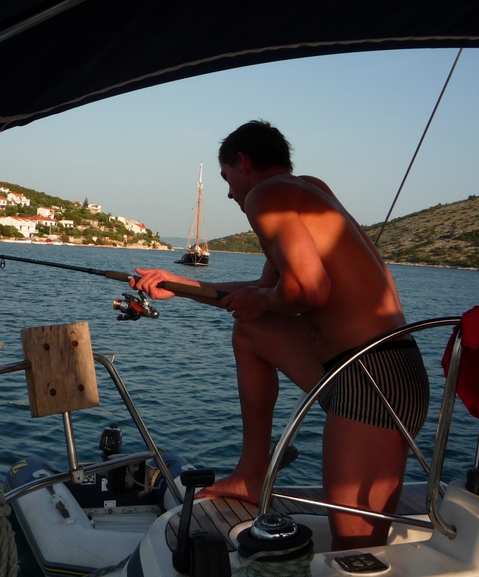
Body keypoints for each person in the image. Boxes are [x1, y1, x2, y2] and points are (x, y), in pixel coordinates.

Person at [131, 120, 428, 550]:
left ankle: (259, 479)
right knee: (251, 329)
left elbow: (309, 289)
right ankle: (251, 476)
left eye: (226, 178)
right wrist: (176, 284)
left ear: (243, 161)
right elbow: (264, 292)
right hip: (371, 369)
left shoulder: (264, 196)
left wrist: (265, 300)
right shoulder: (308, 189)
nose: (229, 193)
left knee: (356, 555)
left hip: (373, 382)